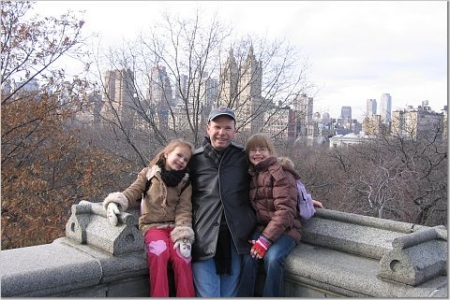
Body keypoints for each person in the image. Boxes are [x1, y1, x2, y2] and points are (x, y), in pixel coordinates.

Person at [102, 139, 196, 297]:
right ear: (166, 154)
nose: (181, 161)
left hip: (175, 228)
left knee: (182, 259)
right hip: (153, 227)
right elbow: (134, 191)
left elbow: (184, 208)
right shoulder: (149, 174)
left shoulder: (185, 182)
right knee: (159, 254)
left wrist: (183, 233)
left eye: (185, 159)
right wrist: (115, 203)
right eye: (178, 155)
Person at [188, 106, 257, 297]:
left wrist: (303, 197)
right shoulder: (194, 160)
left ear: (235, 130)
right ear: (207, 128)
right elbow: (168, 179)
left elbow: (272, 177)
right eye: (217, 127)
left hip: (236, 239)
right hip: (203, 238)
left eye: (228, 128)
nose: (222, 133)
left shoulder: (244, 157)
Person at [237, 133, 304, 297]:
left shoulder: (280, 173)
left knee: (273, 260)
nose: (257, 153)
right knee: (248, 256)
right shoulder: (253, 174)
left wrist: (265, 240)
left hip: (287, 229)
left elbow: (286, 210)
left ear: (270, 151)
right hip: (262, 228)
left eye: (262, 149)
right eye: (253, 150)